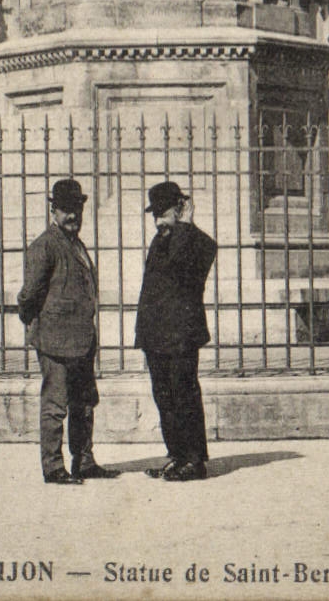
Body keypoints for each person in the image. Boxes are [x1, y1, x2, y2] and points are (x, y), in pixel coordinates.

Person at [17, 179, 116, 484]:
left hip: (82, 340)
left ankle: (84, 461)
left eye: (77, 209)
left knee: (84, 403)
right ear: (53, 210)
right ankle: (53, 467)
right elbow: (27, 296)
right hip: (55, 341)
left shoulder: (75, 244)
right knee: (55, 406)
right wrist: (40, 327)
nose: (73, 215)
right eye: (66, 210)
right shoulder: (44, 246)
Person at [135, 181, 217, 482]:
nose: (158, 221)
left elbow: (179, 270)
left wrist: (184, 226)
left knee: (184, 395)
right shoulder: (162, 239)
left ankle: (194, 460)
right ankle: (177, 455)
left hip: (181, 335)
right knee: (164, 397)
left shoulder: (198, 242)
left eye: (164, 213)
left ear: (181, 209)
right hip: (156, 335)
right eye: (155, 215)